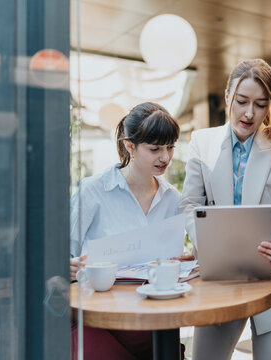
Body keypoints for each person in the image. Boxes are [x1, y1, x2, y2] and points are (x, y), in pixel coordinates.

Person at [179, 59, 271, 360]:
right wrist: (207, 244)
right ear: (228, 96)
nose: (249, 113)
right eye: (242, 101)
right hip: (220, 277)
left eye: (260, 104)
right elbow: (189, 205)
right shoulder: (202, 142)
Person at [69, 102, 187, 360]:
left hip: (153, 316)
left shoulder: (173, 199)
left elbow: (172, 260)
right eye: (155, 149)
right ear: (129, 146)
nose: (165, 157)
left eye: (170, 147)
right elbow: (61, 251)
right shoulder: (93, 191)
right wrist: (67, 265)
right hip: (96, 317)